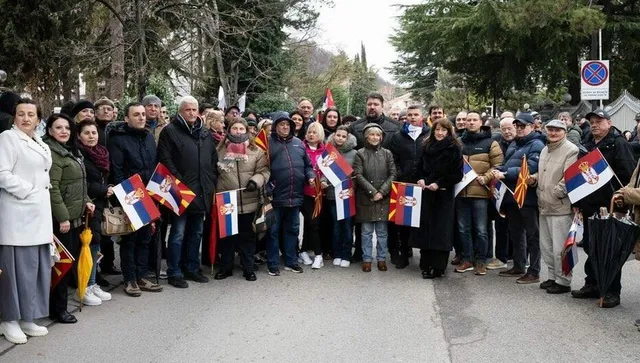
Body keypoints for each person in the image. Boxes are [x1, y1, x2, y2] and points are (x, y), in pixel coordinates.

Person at [0, 99, 54, 343]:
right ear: (14, 117)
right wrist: (30, 191)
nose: (25, 118)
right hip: (17, 214)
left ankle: (27, 316)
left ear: (38, 119)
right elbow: (2, 173)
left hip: (39, 216)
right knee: (15, 271)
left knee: (35, 270)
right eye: (20, 114)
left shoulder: (39, 142)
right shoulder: (8, 138)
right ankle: (9, 319)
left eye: (30, 114)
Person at [572, 109, 635, 308]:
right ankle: (592, 284)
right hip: (589, 205)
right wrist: (577, 203)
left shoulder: (619, 144)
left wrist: (621, 200)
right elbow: (579, 177)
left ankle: (611, 291)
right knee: (591, 247)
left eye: (599, 121)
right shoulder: (587, 145)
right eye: (592, 121)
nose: (595, 124)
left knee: (610, 250)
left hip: (610, 205)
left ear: (609, 122)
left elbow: (628, 175)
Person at [158, 95, 218, 288]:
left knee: (197, 233)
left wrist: (211, 181)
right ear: (180, 111)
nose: (192, 113)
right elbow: (165, 161)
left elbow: (212, 159)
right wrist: (180, 184)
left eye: (194, 110)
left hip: (202, 191)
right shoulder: (170, 131)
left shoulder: (205, 132)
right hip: (180, 193)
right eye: (188, 110)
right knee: (177, 234)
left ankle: (192, 268)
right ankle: (174, 271)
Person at [43, 113, 97, 315]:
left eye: (66, 128)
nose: (64, 131)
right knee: (62, 267)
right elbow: (53, 188)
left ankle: (59, 307)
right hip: (63, 221)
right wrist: (63, 217)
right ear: (49, 131)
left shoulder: (71, 151)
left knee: (70, 262)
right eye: (58, 128)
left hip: (76, 218)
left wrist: (88, 202)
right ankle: (58, 310)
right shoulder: (52, 153)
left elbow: (77, 185)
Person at [108, 102, 163, 297]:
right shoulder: (118, 139)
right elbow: (117, 170)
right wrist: (126, 199)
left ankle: (141, 276)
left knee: (145, 238)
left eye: (142, 114)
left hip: (148, 195)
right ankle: (130, 279)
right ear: (126, 118)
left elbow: (154, 166)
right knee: (130, 240)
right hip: (129, 195)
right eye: (136, 115)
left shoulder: (149, 138)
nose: (141, 117)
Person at [214, 118, 270, 282]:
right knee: (228, 238)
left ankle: (248, 268)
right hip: (227, 201)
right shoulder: (219, 150)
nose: (238, 131)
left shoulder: (256, 151)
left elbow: (264, 171)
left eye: (241, 129)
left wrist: (255, 181)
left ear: (246, 131)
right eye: (235, 128)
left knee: (247, 238)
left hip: (249, 201)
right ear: (229, 130)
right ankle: (226, 268)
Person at [494, 112, 545, 284]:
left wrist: (505, 173)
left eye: (523, 126)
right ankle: (518, 265)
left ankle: (534, 271)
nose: (520, 129)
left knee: (532, 234)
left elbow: (529, 169)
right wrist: (497, 169)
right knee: (516, 233)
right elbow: (509, 163)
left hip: (527, 196)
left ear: (532, 126)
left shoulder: (536, 144)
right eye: (518, 126)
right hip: (512, 194)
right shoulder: (514, 144)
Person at [531, 119, 578, 294]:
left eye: (557, 130)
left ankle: (564, 281)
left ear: (565, 132)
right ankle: (552, 277)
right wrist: (534, 178)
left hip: (559, 206)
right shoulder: (545, 149)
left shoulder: (571, 150)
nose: (553, 133)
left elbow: (569, 177)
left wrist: (556, 192)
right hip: (543, 204)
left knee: (560, 247)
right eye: (550, 129)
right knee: (547, 246)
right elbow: (544, 172)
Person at [266, 113, 315, 276]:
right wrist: (268, 186)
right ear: (275, 126)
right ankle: (272, 264)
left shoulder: (299, 144)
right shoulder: (267, 143)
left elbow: (308, 166)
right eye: (281, 124)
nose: (285, 127)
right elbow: (262, 168)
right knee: (273, 232)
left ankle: (291, 261)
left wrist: (310, 176)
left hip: (295, 196)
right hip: (275, 197)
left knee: (293, 230)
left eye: (288, 124)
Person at [455, 112, 503, 275]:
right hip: (461, 193)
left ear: (480, 122)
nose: (470, 123)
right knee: (463, 229)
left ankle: (481, 260)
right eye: (468, 120)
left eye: (474, 120)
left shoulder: (491, 142)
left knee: (481, 229)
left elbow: (498, 165)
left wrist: (486, 177)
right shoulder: (458, 142)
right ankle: (467, 259)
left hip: (481, 194)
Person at [415, 118, 463, 278]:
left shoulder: (454, 148)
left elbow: (457, 174)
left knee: (441, 231)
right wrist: (421, 178)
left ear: (449, 132)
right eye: (437, 130)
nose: (440, 133)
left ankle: (438, 267)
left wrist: (439, 183)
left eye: (444, 130)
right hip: (426, 193)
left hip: (443, 194)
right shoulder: (426, 146)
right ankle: (426, 263)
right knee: (426, 228)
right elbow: (420, 167)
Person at [384, 105, 430, 268]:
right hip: (404, 184)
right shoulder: (398, 136)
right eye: (409, 115)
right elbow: (393, 159)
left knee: (423, 222)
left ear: (421, 116)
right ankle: (403, 253)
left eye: (415, 115)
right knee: (403, 222)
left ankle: (425, 257)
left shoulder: (429, 134)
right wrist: (401, 173)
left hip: (424, 184)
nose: (412, 117)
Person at [76, 120, 113, 301]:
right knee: (88, 246)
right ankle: (84, 287)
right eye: (87, 133)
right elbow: (82, 183)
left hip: (100, 204)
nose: (91, 136)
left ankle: (92, 283)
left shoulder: (101, 153)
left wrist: (109, 186)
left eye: (94, 133)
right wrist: (102, 189)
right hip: (87, 205)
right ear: (79, 136)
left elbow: (103, 179)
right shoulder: (79, 155)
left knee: (96, 244)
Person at [353, 123, 397, 273]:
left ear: (381, 137)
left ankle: (381, 258)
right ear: (366, 137)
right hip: (366, 198)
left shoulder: (387, 153)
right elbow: (358, 175)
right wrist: (373, 192)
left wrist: (382, 192)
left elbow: (393, 174)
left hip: (383, 198)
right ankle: (367, 259)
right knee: (365, 232)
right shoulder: (360, 153)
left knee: (382, 232)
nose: (375, 137)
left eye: (378, 135)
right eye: (372, 134)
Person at [324, 126, 357, 267]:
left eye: (344, 136)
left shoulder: (354, 154)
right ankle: (337, 253)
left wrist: (352, 187)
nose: (340, 138)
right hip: (332, 195)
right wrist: (323, 181)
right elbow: (323, 171)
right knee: (336, 227)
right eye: (338, 135)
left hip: (347, 195)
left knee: (348, 227)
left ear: (348, 138)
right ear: (334, 135)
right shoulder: (328, 152)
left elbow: (357, 174)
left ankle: (346, 254)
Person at [486, 117, 516, 270]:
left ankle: (517, 257)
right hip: (500, 190)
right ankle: (501, 256)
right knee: (501, 224)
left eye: (510, 128)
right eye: (503, 128)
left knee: (518, 227)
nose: (507, 131)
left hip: (517, 189)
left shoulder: (522, 143)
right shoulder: (497, 142)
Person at [298, 122, 327, 268]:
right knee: (310, 223)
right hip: (303, 192)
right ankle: (315, 253)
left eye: (314, 132)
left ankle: (309, 252)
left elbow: (330, 171)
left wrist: (324, 180)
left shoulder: (326, 151)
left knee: (313, 224)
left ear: (320, 134)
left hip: (319, 194)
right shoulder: (301, 148)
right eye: (309, 132)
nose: (311, 135)